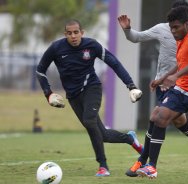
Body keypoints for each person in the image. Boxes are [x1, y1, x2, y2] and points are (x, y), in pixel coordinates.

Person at [118, 0, 188, 177]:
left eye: (179, 22)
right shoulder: (164, 29)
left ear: (187, 19)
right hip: (169, 85)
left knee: (175, 122)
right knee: (160, 117)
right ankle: (146, 162)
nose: (173, 30)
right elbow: (136, 37)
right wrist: (127, 29)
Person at [36, 19, 144, 177]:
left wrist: (131, 86)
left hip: (91, 88)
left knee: (89, 121)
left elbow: (114, 63)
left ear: (82, 32)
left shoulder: (92, 45)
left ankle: (103, 165)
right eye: (69, 33)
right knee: (103, 134)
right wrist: (48, 93)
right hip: (73, 96)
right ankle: (129, 138)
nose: (73, 36)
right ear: (65, 34)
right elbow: (40, 71)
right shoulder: (56, 48)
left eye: (76, 32)